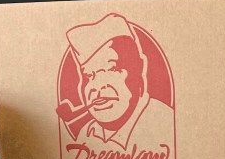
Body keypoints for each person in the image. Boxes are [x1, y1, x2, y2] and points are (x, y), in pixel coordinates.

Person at [61, 13, 173, 150]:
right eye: (89, 75)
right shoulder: (88, 133)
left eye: (111, 69)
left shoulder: (165, 123)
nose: (97, 86)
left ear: (139, 68)